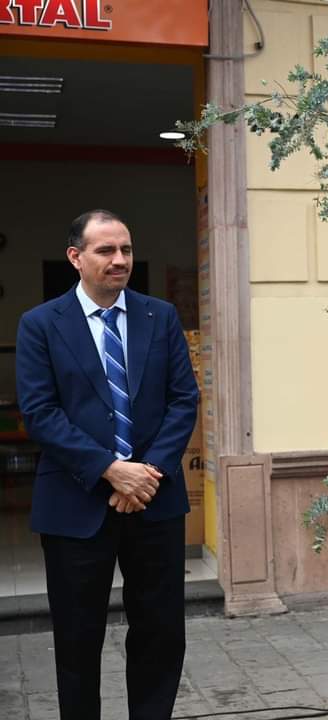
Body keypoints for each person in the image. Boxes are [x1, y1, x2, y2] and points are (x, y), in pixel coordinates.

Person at [15, 209, 200, 720]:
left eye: (126, 250)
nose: (120, 261)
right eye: (106, 251)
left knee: (161, 633)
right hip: (75, 504)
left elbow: (184, 400)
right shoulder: (39, 325)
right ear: (76, 257)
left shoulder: (158, 316)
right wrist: (109, 469)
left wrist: (146, 473)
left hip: (155, 501)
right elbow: (40, 413)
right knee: (77, 641)